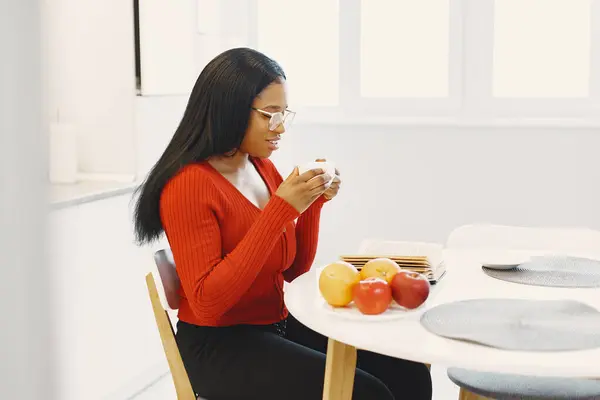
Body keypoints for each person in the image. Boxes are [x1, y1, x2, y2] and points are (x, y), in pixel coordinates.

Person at [133, 47, 432, 400]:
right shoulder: (188, 185)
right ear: (229, 110)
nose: (280, 128)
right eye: (269, 115)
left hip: (275, 326)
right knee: (367, 394)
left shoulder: (260, 167)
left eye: (284, 114)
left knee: (407, 372)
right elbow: (210, 301)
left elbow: (293, 270)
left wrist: (311, 203)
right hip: (221, 348)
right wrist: (280, 210)